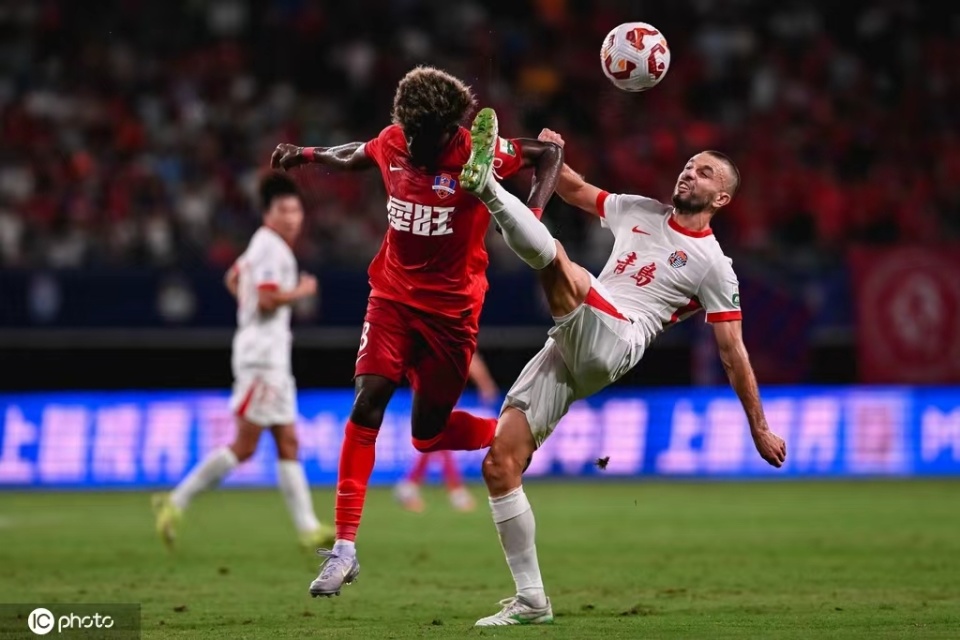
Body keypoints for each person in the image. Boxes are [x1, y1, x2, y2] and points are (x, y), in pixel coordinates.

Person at [458, 109, 788, 626]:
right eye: (688, 165)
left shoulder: (714, 266)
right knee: (500, 464)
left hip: (620, 339)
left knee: (560, 263)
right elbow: (573, 188)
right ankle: (532, 600)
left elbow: (733, 352)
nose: (689, 173)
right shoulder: (639, 209)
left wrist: (759, 427)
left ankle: (487, 190)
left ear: (721, 199)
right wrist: (551, 151)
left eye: (704, 172)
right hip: (572, 342)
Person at [270, 66, 563, 597]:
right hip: (391, 300)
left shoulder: (476, 153)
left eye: (419, 135)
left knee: (427, 435)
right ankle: (344, 550)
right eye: (404, 131)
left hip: (451, 315)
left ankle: (506, 435)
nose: (408, 142)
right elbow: (356, 153)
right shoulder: (395, 140)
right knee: (367, 402)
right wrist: (307, 154)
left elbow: (547, 154)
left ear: (449, 131)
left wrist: (534, 216)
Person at [152, 173, 332, 552]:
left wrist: (248, 309)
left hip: (269, 355)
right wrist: (300, 291)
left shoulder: (260, 245)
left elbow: (233, 278)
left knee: (288, 441)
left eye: (296, 210)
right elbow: (266, 299)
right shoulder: (272, 249)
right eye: (284, 210)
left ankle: (308, 528)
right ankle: (176, 500)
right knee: (245, 446)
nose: (292, 218)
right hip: (263, 359)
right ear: (267, 213)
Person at [394, 351, 500, 513]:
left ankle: (410, 487)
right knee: (440, 436)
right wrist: (485, 384)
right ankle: (455, 490)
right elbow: (472, 359)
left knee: (435, 439)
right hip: (435, 390)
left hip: (436, 389)